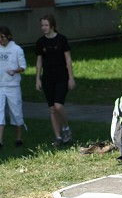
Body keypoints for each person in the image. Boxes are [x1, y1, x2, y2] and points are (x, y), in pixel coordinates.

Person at [35, 14, 76, 147]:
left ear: (52, 25)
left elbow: (68, 59)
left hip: (61, 77)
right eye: (42, 25)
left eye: (46, 25)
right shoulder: (40, 42)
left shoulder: (61, 39)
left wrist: (71, 78)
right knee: (52, 108)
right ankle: (58, 136)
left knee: (59, 105)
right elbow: (39, 61)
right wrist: (37, 79)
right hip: (47, 78)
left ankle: (66, 128)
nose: (44, 28)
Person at [0, 26, 27, 148]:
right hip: (0, 86)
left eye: (2, 37)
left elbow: (23, 66)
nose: (1, 40)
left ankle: (18, 138)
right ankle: (0, 141)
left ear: (8, 36)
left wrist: (14, 71)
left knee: (16, 112)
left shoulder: (17, 49)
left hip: (13, 86)